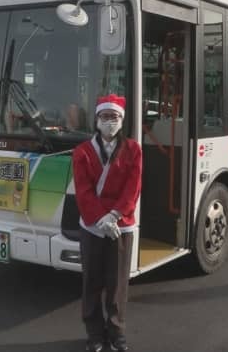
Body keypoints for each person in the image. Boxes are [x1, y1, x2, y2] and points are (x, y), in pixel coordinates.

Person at [72, 94, 142, 352]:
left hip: (120, 226)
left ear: (122, 120)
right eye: (105, 117)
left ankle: (116, 333)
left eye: (114, 117)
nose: (109, 122)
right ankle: (94, 334)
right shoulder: (82, 152)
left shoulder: (134, 149)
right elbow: (83, 190)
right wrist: (100, 218)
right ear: (96, 120)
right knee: (92, 281)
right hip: (92, 226)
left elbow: (133, 187)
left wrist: (114, 215)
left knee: (117, 283)